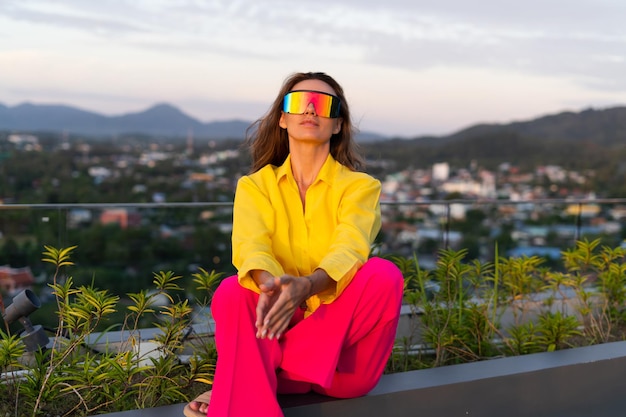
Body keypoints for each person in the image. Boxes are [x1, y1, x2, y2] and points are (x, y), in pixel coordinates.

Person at [184, 71, 404, 417]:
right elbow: (251, 247)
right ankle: (247, 376)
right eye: (299, 102)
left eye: (324, 104)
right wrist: (272, 287)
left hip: (340, 368)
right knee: (232, 291)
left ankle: (241, 376)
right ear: (283, 118)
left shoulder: (361, 187)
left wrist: (307, 286)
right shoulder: (255, 186)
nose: (311, 110)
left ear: (337, 124)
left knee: (382, 274)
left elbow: (350, 247)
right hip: (277, 330)